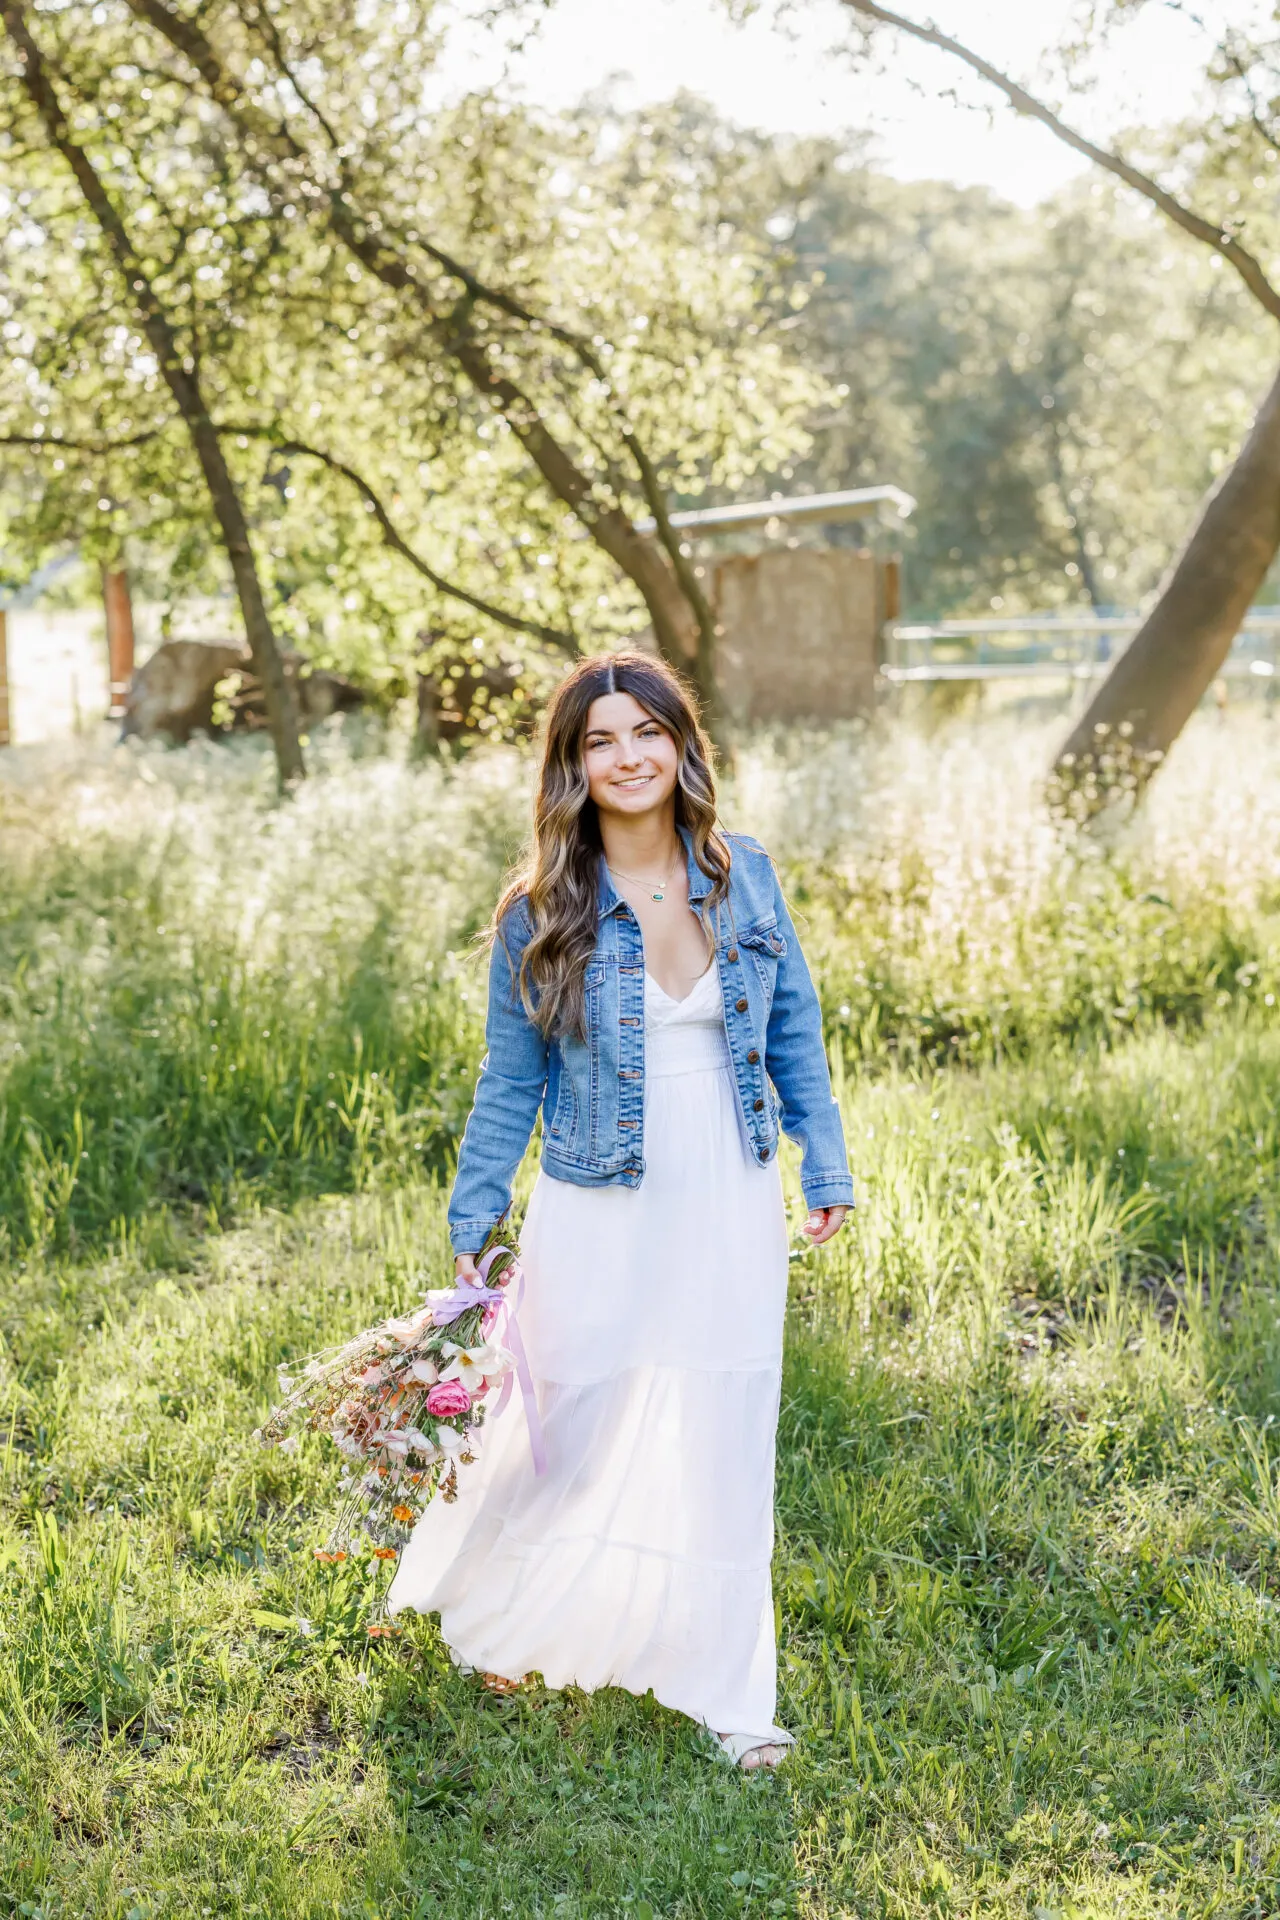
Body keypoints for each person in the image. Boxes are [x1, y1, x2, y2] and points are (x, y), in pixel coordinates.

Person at [387, 651, 853, 1770]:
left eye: (644, 732)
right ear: (573, 765)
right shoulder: (540, 910)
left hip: (728, 1181)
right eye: (599, 740)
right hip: (595, 1190)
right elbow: (509, 1079)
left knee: (725, 1421)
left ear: (681, 747)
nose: (626, 757)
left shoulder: (746, 876)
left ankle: (728, 1691)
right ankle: (501, 1603)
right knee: (571, 1410)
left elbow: (794, 1027)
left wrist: (822, 1159)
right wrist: (476, 1204)